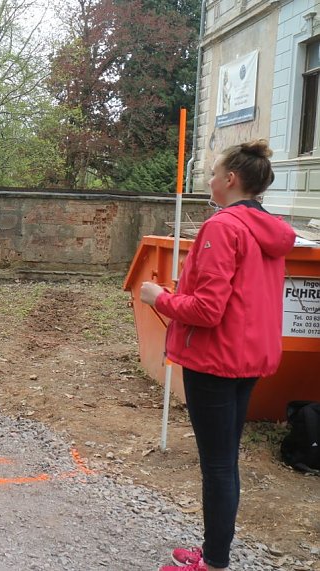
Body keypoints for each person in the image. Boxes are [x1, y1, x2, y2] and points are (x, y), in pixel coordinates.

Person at [140, 140, 295, 571]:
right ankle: (215, 553)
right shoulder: (270, 230)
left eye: (212, 173)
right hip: (249, 358)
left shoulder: (223, 227)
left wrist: (159, 297)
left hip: (215, 359)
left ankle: (212, 561)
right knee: (224, 460)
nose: (207, 180)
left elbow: (207, 310)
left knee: (218, 465)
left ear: (231, 179)